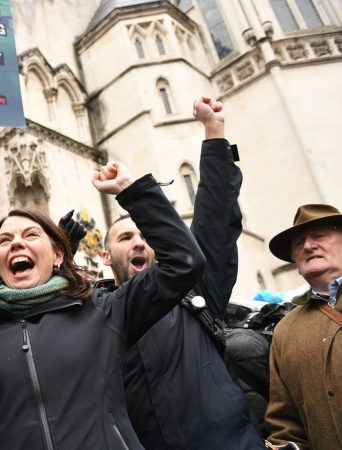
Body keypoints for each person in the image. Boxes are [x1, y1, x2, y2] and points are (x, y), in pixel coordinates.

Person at [0, 162, 206, 449]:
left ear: (58, 254)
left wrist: (135, 194)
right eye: (4, 241)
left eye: (31, 235)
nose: (16, 243)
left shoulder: (103, 311)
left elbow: (184, 263)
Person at [118, 97, 264, 449]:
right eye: (125, 237)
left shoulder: (195, 293)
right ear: (107, 256)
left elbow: (214, 221)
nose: (138, 244)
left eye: (144, 236)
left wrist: (214, 134)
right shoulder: (101, 313)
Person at [264, 204, 342, 450]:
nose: (308, 246)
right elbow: (285, 425)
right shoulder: (285, 330)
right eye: (299, 243)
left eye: (319, 236)